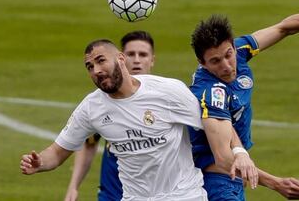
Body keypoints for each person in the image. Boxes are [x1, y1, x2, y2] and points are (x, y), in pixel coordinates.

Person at [20, 38, 215, 201]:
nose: (96, 70)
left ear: (121, 58)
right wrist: (40, 163)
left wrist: (237, 152)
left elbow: (214, 124)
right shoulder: (91, 107)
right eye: (89, 66)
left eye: (100, 60)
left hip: (183, 195)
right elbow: (57, 152)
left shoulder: (168, 91)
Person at [188, 3, 299, 201]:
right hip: (215, 180)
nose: (227, 66)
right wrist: (276, 183)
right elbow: (223, 159)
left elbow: (283, 28)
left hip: (232, 177)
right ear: (202, 63)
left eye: (229, 55)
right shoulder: (211, 93)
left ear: (233, 47)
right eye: (215, 61)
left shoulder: (240, 49)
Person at [64, 31, 155, 201]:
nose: (136, 60)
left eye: (142, 54)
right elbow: (88, 143)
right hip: (113, 194)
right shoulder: (102, 101)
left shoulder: (165, 97)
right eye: (130, 54)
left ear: (152, 60)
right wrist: (73, 186)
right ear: (121, 58)